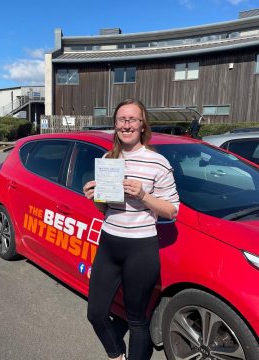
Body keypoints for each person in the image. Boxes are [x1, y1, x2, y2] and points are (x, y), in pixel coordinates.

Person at [83, 99, 180, 360]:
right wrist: (95, 197)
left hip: (141, 247)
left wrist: (144, 196)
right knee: (96, 313)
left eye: (132, 119)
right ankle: (117, 354)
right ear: (115, 125)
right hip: (110, 242)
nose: (126, 125)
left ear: (142, 125)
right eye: (121, 120)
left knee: (137, 320)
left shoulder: (157, 162)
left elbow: (172, 210)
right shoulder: (107, 159)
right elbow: (106, 210)